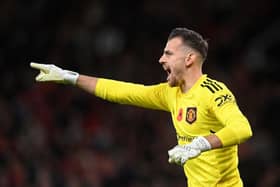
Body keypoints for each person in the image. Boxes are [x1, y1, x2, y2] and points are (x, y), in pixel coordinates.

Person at [30, 27, 253, 186]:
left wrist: (200, 144)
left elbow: (243, 128)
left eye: (168, 53)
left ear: (189, 59)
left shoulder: (213, 92)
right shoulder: (170, 93)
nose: (160, 59)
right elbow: (123, 91)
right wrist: (72, 77)